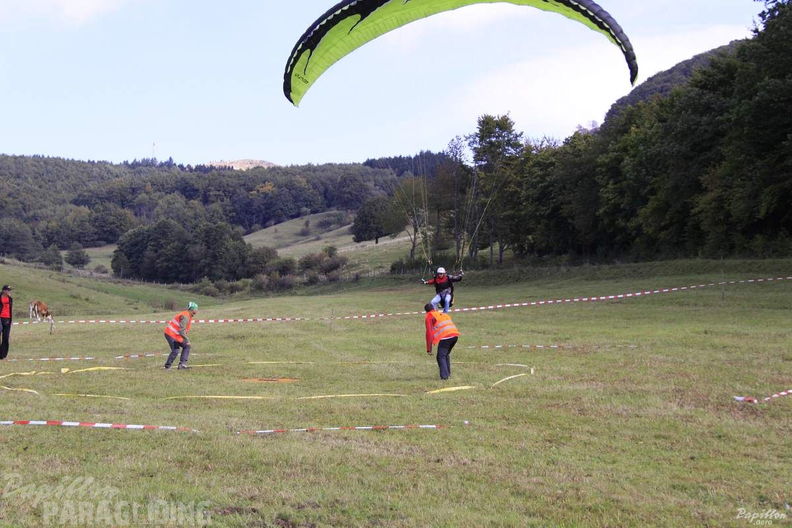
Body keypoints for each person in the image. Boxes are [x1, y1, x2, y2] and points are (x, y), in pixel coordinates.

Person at [424, 302, 460, 380]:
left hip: (446, 337)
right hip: (455, 335)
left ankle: (444, 377)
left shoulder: (429, 316)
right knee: (445, 355)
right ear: (434, 309)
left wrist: (429, 349)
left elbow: (429, 333)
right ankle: (448, 374)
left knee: (440, 357)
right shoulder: (442, 314)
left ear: (426, 311)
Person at [163, 302, 198, 370]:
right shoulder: (185, 316)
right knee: (176, 350)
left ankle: (181, 365)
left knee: (186, 346)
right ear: (192, 309)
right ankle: (168, 366)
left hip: (175, 335)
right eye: (196, 308)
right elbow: (181, 331)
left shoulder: (188, 315)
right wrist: (187, 340)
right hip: (171, 334)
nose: (197, 310)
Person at [0, 285, 12, 360]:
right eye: (8, 290)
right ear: (4, 290)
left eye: (10, 290)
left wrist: (10, 319)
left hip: (7, 319)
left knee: (6, 337)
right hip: (0, 318)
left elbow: (10, 309)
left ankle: (3, 355)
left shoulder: (10, 299)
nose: (9, 292)